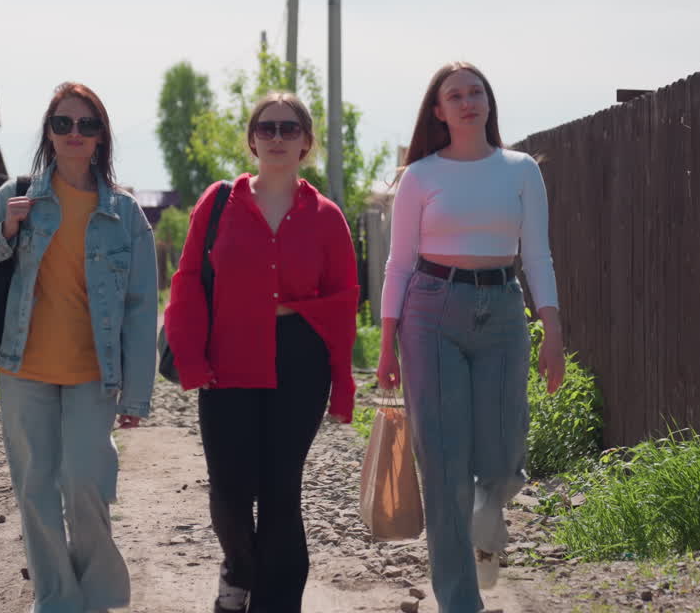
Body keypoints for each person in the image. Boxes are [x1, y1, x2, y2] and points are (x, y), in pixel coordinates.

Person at [0, 82, 157, 613]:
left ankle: (95, 594)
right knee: (35, 488)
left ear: (100, 137)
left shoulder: (126, 215)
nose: (75, 133)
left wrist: (137, 396)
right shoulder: (17, 195)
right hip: (24, 369)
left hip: (94, 373)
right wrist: (5, 229)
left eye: (86, 125)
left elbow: (141, 311)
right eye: (63, 123)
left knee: (84, 481)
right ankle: (56, 598)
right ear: (49, 132)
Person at [375, 62, 566, 613]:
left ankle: (490, 507)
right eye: (454, 95)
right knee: (443, 462)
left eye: (475, 92)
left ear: (488, 102)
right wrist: (386, 343)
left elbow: (537, 255)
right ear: (438, 111)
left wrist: (552, 329)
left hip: (505, 309)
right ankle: (460, 601)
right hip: (431, 312)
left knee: (505, 454)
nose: (467, 101)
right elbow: (397, 264)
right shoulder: (420, 176)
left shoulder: (521, 169)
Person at [164, 91, 359, 613]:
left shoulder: (326, 216)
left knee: (280, 491)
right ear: (252, 140)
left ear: (306, 143)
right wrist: (191, 358)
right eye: (267, 128)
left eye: (288, 129)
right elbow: (186, 282)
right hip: (228, 357)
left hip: (299, 360)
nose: (277, 137)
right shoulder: (220, 201)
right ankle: (239, 568)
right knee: (229, 491)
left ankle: (276, 603)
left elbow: (343, 303)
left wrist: (343, 382)